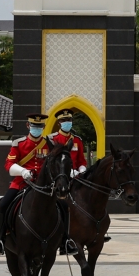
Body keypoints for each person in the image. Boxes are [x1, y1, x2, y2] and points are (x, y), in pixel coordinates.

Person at [0, 113, 50, 255]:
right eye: (34, 126)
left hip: (44, 187)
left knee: (64, 206)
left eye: (40, 126)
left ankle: (66, 240)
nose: (37, 128)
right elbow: (9, 164)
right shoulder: (19, 144)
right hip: (21, 184)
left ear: (44, 127)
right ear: (28, 125)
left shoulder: (49, 144)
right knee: (3, 205)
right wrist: (23, 171)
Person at [48, 108, 87, 254]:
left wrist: (81, 169)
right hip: (59, 180)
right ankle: (64, 238)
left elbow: (82, 161)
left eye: (69, 120)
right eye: (64, 121)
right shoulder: (52, 140)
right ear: (59, 123)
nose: (67, 123)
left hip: (75, 179)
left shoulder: (77, 140)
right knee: (64, 205)